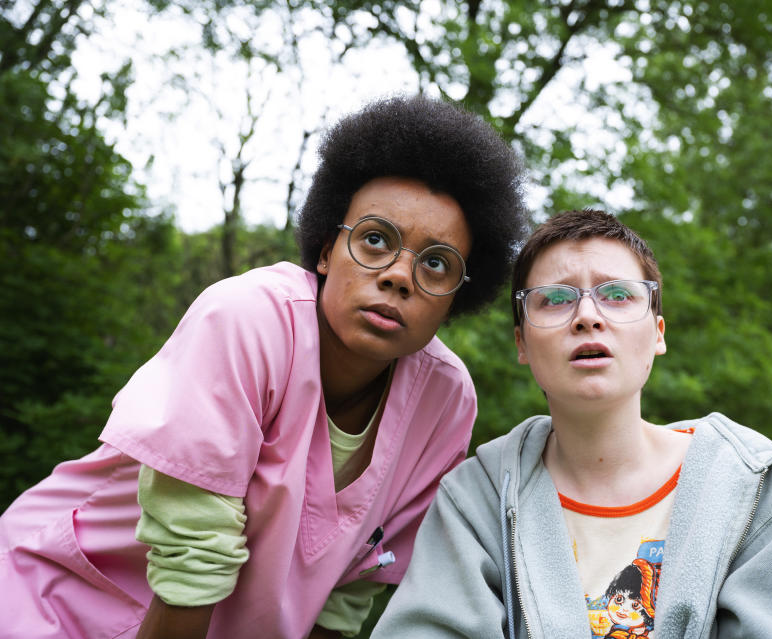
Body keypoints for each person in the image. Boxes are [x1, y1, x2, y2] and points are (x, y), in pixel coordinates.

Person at [0, 95, 526, 639]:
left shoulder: (445, 400)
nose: (397, 276)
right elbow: (191, 568)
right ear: (326, 251)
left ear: (456, 294)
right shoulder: (248, 319)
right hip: (51, 603)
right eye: (374, 239)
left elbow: (350, 590)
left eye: (436, 263)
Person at [371, 209, 772, 638]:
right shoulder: (476, 501)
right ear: (521, 343)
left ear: (658, 333)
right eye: (554, 299)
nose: (587, 317)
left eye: (617, 295)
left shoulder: (750, 484)